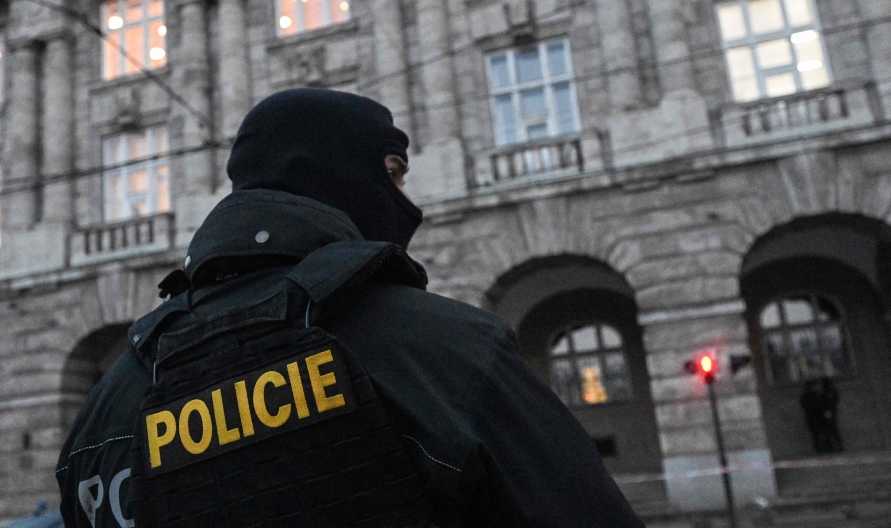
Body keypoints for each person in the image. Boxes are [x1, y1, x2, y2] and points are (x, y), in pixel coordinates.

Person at [56, 89, 643, 527]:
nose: (406, 201)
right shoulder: (447, 350)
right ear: (336, 175)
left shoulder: (105, 407)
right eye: (393, 175)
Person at [800, 377, 843, 454]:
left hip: (820, 416)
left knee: (825, 432)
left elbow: (828, 403)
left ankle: (828, 447)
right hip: (817, 416)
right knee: (821, 433)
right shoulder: (814, 395)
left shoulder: (821, 393)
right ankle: (827, 447)